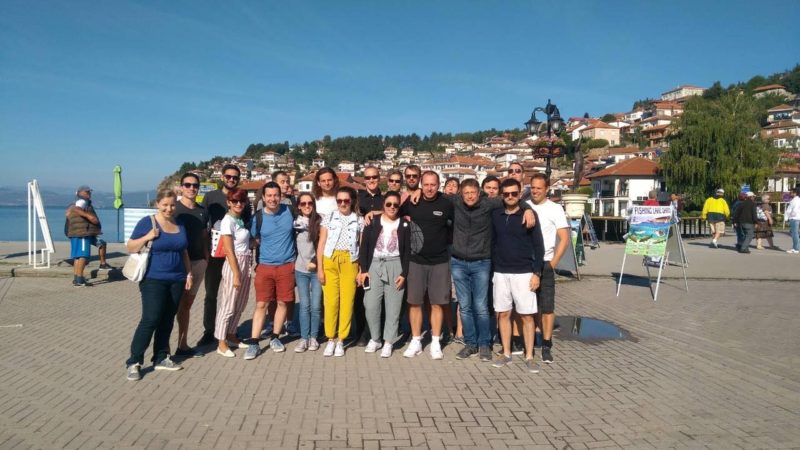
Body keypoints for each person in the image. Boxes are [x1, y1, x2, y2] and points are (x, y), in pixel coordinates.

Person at [438, 178, 536, 362]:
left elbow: (511, 199)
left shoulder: (488, 203)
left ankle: (484, 344)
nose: (469, 196)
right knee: (465, 307)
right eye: (466, 193)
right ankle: (470, 343)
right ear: (461, 194)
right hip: (458, 262)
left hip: (481, 262)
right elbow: (436, 194)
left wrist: (528, 208)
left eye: (472, 193)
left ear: (478, 192)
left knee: (481, 306)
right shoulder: (456, 201)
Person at [125, 188, 192, 381]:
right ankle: (134, 361)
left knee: (167, 319)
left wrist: (188, 273)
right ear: (157, 204)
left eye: (172, 205)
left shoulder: (179, 224)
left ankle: (161, 356)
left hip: (177, 279)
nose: (169, 208)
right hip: (153, 279)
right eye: (165, 205)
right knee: (151, 319)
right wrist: (147, 237)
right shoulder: (148, 222)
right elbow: (130, 246)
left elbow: (184, 251)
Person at [491, 179, 545, 373]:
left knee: (526, 316)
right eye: (506, 194)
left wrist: (537, 273)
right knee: (503, 313)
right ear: (502, 195)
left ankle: (529, 355)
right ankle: (506, 353)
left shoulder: (529, 214)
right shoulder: (495, 214)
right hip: (500, 272)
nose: (510, 197)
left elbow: (539, 246)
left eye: (514, 193)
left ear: (520, 193)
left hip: (524, 272)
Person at [400, 171, 454, 360]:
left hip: (440, 261)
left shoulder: (447, 203)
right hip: (416, 261)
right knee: (414, 302)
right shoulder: (412, 202)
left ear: (439, 185)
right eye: (427, 184)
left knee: (437, 303)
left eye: (434, 184)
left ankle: (436, 341)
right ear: (421, 185)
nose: (430, 188)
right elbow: (392, 214)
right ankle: (416, 340)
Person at [197, 164, 251, 347]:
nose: (231, 179)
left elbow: (246, 227)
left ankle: (229, 331)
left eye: (235, 177)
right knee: (211, 294)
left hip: (235, 254)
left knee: (233, 297)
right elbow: (203, 225)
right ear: (222, 177)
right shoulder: (210, 197)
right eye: (228, 176)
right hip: (215, 255)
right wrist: (204, 252)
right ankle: (209, 331)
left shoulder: (242, 199)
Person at [243, 182, 297, 360]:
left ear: (281, 196)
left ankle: (275, 337)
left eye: (276, 195)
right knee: (261, 304)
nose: (273, 199)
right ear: (263, 197)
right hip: (265, 266)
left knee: (283, 303)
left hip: (286, 265)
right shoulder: (257, 218)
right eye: (269, 196)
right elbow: (250, 241)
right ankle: (254, 342)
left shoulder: (290, 212)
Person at [358, 191, 411, 358]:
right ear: (383, 206)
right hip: (374, 265)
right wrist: (364, 269)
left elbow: (408, 251)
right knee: (371, 305)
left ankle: (388, 341)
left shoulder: (404, 224)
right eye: (389, 204)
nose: (392, 207)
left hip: (395, 265)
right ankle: (375, 338)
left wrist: (404, 273)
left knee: (393, 307)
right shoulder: (372, 222)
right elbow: (364, 246)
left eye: (396, 205)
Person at [527, 173, 570, 364]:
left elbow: (564, 238)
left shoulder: (555, 209)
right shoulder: (525, 206)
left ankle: (546, 343)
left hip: (545, 263)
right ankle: (531, 338)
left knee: (547, 306)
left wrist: (553, 262)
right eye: (533, 187)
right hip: (525, 263)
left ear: (547, 189)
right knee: (528, 307)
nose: (535, 191)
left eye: (539, 188)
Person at [317, 186, 364, 357]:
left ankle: (341, 340)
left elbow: (361, 246)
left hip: (350, 261)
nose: (343, 204)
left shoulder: (359, 220)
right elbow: (321, 243)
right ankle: (330, 338)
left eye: (346, 200)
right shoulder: (329, 217)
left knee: (347, 302)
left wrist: (360, 270)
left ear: (352, 201)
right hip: (330, 260)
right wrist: (320, 269)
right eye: (339, 201)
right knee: (330, 302)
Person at [214, 188, 254, 357]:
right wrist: (236, 273)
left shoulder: (240, 220)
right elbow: (229, 250)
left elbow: (245, 243)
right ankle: (221, 342)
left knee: (240, 303)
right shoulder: (227, 221)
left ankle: (231, 335)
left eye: (242, 201)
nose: (239, 204)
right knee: (228, 305)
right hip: (234, 264)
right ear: (229, 202)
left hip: (246, 261)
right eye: (235, 201)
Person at [173, 173, 209, 358]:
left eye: (195, 185)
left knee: (186, 305)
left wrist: (206, 257)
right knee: (170, 306)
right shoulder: (174, 209)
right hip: (176, 265)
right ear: (181, 187)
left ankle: (183, 344)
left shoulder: (202, 211)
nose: (192, 188)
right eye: (187, 185)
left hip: (197, 262)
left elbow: (204, 235)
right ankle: (162, 350)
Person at [292, 193, 323, 352]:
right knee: (304, 305)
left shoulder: (320, 221)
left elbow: (324, 245)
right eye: (303, 203)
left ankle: (313, 338)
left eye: (309, 203)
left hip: (316, 270)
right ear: (298, 205)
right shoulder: (295, 223)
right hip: (300, 270)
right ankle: (304, 338)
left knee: (316, 306)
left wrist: (316, 262)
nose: (306, 206)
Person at [65, 185, 111, 287]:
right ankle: (80, 279)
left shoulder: (77, 203)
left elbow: (69, 212)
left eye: (89, 192)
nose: (89, 194)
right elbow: (76, 209)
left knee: (78, 257)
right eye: (87, 192)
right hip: (82, 234)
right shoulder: (81, 202)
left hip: (76, 233)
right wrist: (89, 216)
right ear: (80, 193)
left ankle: (77, 278)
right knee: (83, 256)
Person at [785, 187, 800, 254]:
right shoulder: (794, 200)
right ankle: (795, 248)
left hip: (794, 218)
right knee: (794, 234)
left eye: (791, 192)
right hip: (794, 218)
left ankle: (796, 248)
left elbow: (795, 210)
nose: (789, 193)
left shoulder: (796, 200)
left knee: (795, 234)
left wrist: (790, 216)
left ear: (795, 193)